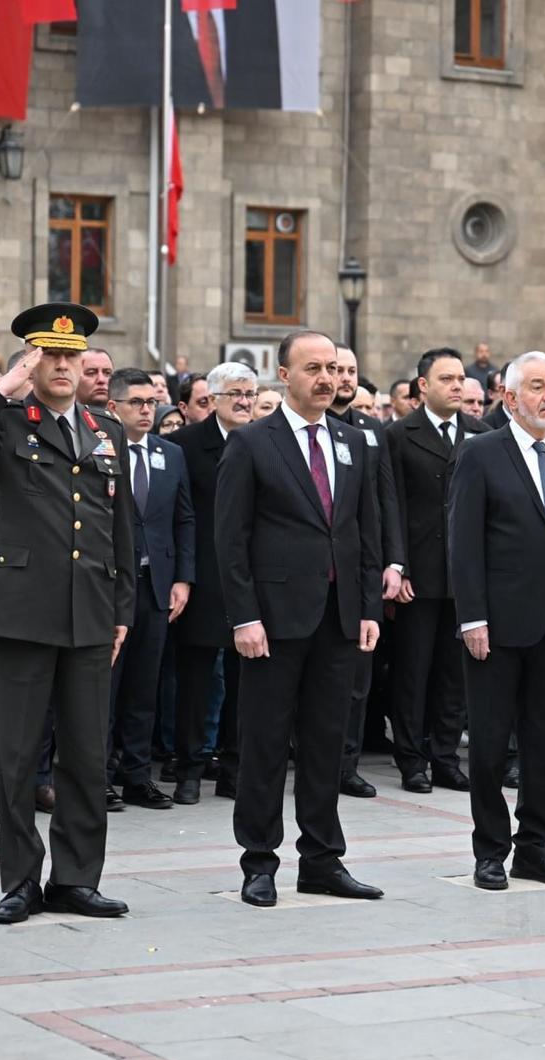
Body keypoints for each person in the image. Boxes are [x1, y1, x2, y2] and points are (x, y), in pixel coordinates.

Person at [0, 303, 135, 923]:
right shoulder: (5, 421)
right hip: (21, 609)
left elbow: (121, 527)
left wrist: (122, 608)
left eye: (71, 357)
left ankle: (76, 878)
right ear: (30, 359)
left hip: (90, 610)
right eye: (48, 355)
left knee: (85, 754)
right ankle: (21, 880)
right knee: (19, 754)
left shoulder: (107, 429)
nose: (62, 366)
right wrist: (2, 386)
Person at [215, 329, 384, 908]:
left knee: (325, 743)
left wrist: (367, 607)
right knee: (264, 744)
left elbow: (363, 530)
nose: (327, 379)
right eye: (313, 368)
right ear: (283, 376)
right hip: (273, 620)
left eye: (333, 368)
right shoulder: (253, 443)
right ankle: (259, 861)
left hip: (338, 619)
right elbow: (230, 539)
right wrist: (243, 616)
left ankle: (321, 859)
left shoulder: (353, 442)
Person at [449, 351, 545, 890]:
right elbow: (463, 544)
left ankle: (535, 846)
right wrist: (472, 618)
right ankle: (490, 850)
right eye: (537, 386)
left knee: (544, 745)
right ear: (510, 398)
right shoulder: (481, 454)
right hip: (498, 625)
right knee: (489, 744)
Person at [386, 348, 488, 794]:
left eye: (461, 378)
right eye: (446, 378)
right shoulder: (399, 435)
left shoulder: (481, 434)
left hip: (464, 575)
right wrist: (398, 564)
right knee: (413, 670)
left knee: (455, 673)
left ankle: (445, 756)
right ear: (423, 386)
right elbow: (390, 504)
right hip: (418, 573)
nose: (457, 386)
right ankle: (412, 759)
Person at [168, 362, 258, 805]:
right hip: (203, 578)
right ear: (214, 400)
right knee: (197, 682)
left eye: (250, 393)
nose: (244, 401)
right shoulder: (183, 446)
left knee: (248, 682)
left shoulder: (266, 441)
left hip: (254, 580)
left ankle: (236, 768)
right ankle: (189, 768)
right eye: (235, 394)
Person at [106, 368, 194, 810]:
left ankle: (137, 775)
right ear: (112, 407)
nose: (146, 410)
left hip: (156, 585)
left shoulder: (169, 453)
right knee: (104, 686)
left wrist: (183, 577)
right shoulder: (99, 451)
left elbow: (183, 519)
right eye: (135, 403)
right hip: (108, 587)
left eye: (150, 403)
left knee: (145, 687)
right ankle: (98, 774)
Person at [330, 346, 405, 798]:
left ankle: (346, 764)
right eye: (336, 369)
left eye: (351, 370)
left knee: (360, 674)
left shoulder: (372, 431)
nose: (343, 377)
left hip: (363, 566)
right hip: (319, 569)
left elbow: (386, 501)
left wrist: (394, 561)